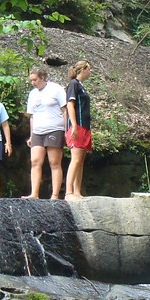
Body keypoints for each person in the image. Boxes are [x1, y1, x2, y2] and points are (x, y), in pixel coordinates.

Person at [24, 67, 67, 199]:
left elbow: (65, 110)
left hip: (55, 128)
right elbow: (32, 115)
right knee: (35, 161)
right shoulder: (32, 94)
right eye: (31, 80)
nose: (33, 83)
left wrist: (66, 130)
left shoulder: (56, 89)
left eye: (35, 80)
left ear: (42, 78)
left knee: (54, 162)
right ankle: (34, 193)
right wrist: (31, 134)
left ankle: (54, 195)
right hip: (38, 131)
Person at [64, 60, 92, 200]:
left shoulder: (81, 86)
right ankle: (68, 192)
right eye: (89, 69)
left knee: (80, 160)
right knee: (75, 159)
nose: (90, 72)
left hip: (85, 126)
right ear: (83, 69)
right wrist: (74, 125)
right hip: (77, 126)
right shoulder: (73, 84)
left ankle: (77, 191)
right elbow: (70, 105)